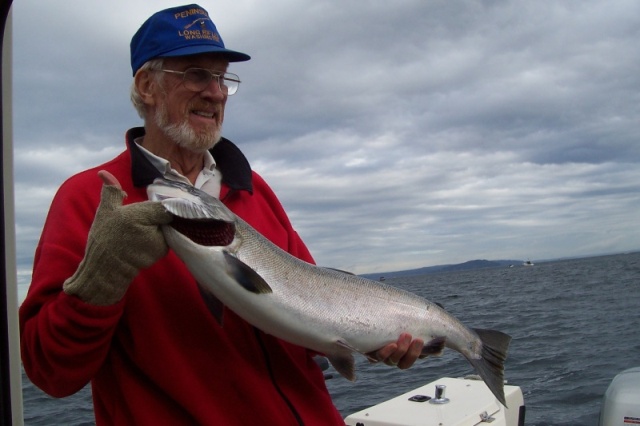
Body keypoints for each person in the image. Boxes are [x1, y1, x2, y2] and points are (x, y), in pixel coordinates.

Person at [19, 4, 424, 425]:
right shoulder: (90, 198)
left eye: (222, 78)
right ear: (147, 86)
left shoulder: (254, 189)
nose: (215, 92)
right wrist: (98, 281)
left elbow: (309, 310)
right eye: (195, 74)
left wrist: (371, 337)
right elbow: (50, 372)